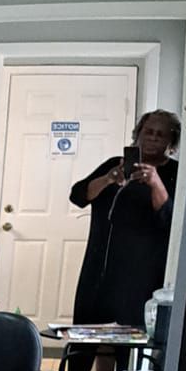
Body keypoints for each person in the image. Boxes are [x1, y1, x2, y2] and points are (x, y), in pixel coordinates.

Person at [69, 109, 179, 329]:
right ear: (138, 134)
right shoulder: (114, 163)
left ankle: (123, 366)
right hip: (101, 265)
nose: (153, 137)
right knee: (91, 330)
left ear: (171, 142)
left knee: (130, 334)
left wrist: (155, 182)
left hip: (144, 271)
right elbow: (78, 195)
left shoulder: (175, 172)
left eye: (161, 134)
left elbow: (170, 219)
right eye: (148, 131)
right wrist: (107, 179)